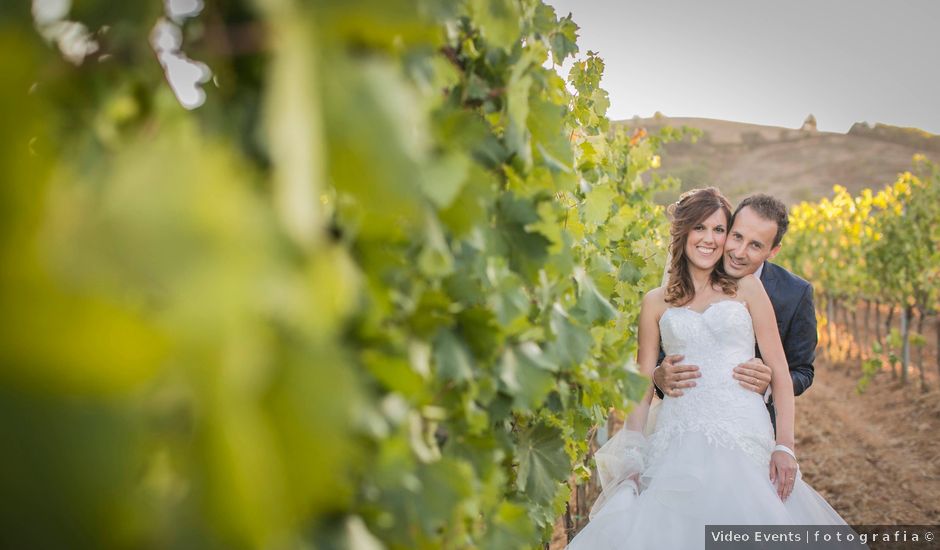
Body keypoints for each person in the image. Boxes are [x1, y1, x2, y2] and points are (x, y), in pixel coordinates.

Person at [566, 188, 854, 550]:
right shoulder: (654, 302)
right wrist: (633, 453)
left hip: (743, 431)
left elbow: (783, 370)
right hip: (676, 435)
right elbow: (641, 381)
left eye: (719, 230)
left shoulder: (747, 288)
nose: (712, 239)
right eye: (702, 228)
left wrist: (786, 446)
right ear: (683, 232)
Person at [653, 194, 817, 431]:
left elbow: (803, 370)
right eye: (737, 236)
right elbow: (666, 345)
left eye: (755, 245)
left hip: (749, 426)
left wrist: (771, 383)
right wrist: (659, 375)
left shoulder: (796, 293)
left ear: (773, 251)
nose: (739, 253)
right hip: (684, 423)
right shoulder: (693, 274)